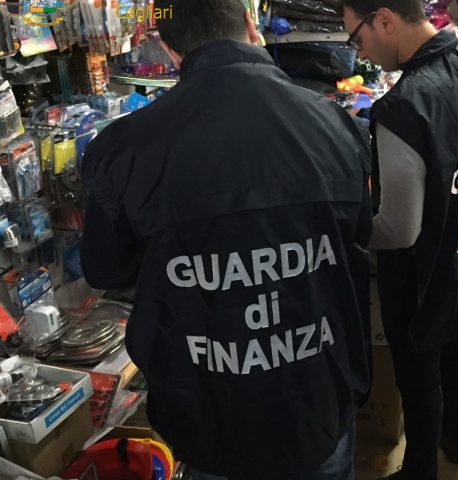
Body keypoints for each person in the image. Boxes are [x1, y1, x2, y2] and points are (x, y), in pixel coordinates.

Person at [79, 1, 372, 479]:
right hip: (317, 396)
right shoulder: (335, 125)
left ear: (169, 50)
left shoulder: (125, 146)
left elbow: (105, 269)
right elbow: (358, 238)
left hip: (209, 407)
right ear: (251, 27)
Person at [339, 1, 458, 478]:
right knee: (456, 343)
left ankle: (420, 469)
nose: (360, 52)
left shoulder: (402, 107)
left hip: (421, 273)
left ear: (385, 20)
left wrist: (347, 229)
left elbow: (399, 229)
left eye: (357, 38)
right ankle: (454, 438)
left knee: (419, 371)